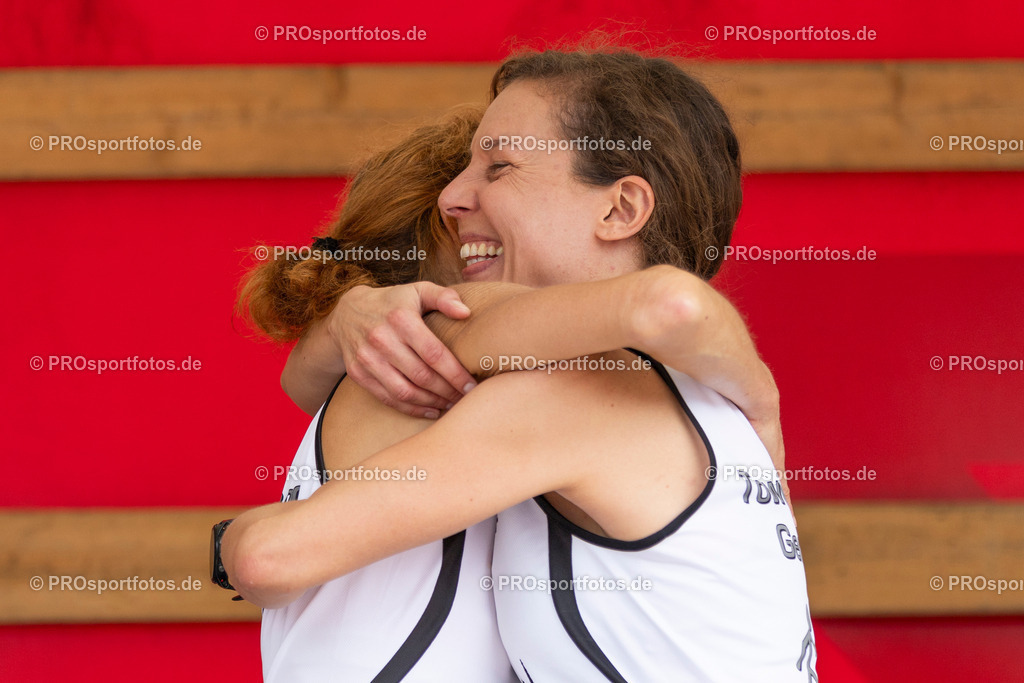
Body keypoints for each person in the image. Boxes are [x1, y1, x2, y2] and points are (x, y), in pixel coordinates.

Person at [225, 46, 814, 682]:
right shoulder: (698, 399)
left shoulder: (574, 388)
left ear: (619, 209)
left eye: (500, 166)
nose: (453, 196)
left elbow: (266, 557)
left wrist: (224, 542)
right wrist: (348, 318)